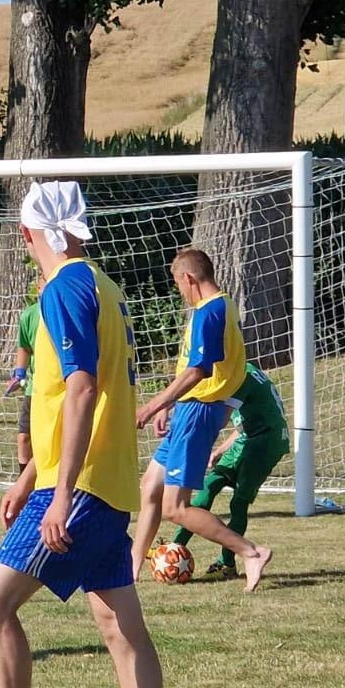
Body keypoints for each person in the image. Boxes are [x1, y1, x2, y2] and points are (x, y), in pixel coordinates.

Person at [0, 181, 178, 688]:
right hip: (105, 481)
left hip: (79, 487)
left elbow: (82, 388)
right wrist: (30, 475)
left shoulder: (62, 289)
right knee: (118, 625)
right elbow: (78, 394)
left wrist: (55, 494)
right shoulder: (104, 286)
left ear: (31, 234)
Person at [133, 249, 273, 593]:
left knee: (175, 508)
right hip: (189, 409)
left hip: (197, 412)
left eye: (177, 282)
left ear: (188, 278)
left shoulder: (211, 312)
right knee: (150, 486)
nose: (178, 289)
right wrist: (171, 405)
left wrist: (153, 405)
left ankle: (250, 551)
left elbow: (199, 370)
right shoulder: (217, 308)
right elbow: (197, 367)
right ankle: (131, 566)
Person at [171, 362, 289, 582]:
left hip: (265, 443)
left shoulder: (239, 376)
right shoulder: (238, 370)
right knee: (208, 486)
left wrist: (193, 443)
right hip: (248, 438)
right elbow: (243, 426)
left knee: (238, 502)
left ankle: (227, 563)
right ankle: (174, 547)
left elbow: (219, 419)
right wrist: (217, 452)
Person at [3, 293, 39, 471]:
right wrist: (19, 374)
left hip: (58, 391)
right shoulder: (30, 314)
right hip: (34, 390)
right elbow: (24, 347)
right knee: (24, 437)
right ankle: (23, 480)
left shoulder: (64, 312)